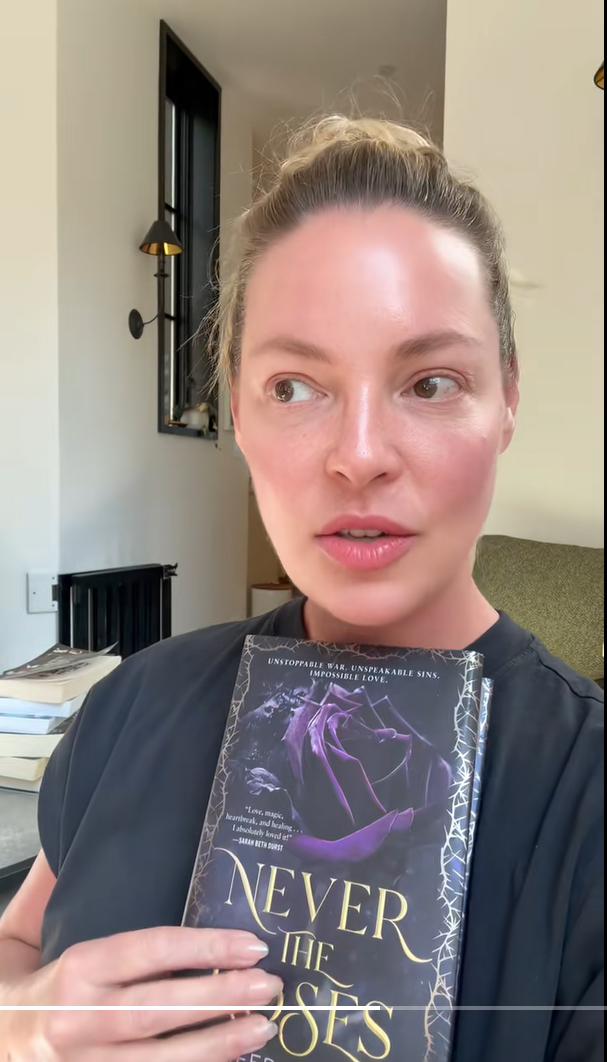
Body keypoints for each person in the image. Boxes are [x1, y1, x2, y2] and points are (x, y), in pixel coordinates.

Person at [0, 116, 603, 1062]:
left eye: (430, 382)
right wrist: (25, 1026)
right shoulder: (135, 702)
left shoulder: (585, 791)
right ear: (238, 414)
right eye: (293, 387)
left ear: (506, 403)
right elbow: (19, 944)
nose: (358, 456)